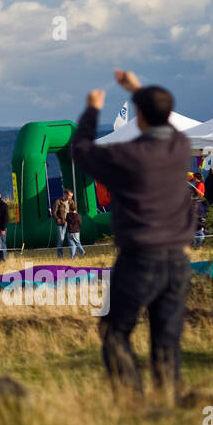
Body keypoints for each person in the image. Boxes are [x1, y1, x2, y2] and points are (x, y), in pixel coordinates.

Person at [69, 68, 194, 396]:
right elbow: (162, 120)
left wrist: (92, 109)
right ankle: (170, 395)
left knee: (115, 329)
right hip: (178, 259)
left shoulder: (127, 155)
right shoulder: (180, 147)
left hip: (139, 258)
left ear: (138, 116)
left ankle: (131, 397)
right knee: (166, 337)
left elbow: (80, 150)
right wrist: (137, 89)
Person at [52, 192, 72, 259]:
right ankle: (60, 255)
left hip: (68, 223)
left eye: (71, 196)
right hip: (60, 223)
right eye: (69, 196)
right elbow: (54, 212)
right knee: (61, 239)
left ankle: (73, 255)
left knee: (72, 239)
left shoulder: (71, 202)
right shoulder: (58, 202)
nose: (70, 197)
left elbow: (74, 210)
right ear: (65, 195)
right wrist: (57, 219)